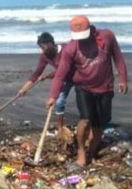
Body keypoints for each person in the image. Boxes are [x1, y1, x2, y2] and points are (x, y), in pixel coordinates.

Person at [46, 15, 128, 167]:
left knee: (99, 124)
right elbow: (60, 74)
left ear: (91, 29)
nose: (81, 40)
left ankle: (92, 151)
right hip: (84, 88)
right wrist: (53, 96)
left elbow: (118, 57)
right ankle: (81, 152)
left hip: (105, 87)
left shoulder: (107, 36)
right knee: (85, 120)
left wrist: (123, 78)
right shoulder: (71, 48)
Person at [17, 32, 74, 131]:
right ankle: (60, 127)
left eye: (43, 47)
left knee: (85, 102)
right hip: (64, 79)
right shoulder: (45, 56)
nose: (42, 51)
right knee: (60, 101)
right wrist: (24, 89)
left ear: (50, 44)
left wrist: (48, 76)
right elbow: (36, 73)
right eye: (41, 48)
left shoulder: (66, 49)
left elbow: (66, 69)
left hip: (78, 76)